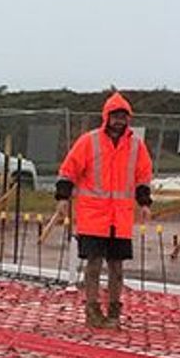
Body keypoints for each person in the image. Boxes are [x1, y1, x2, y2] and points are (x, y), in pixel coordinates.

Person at [56, 92, 153, 328]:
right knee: (94, 264)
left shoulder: (136, 146)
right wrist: (62, 198)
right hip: (93, 216)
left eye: (123, 116)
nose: (119, 121)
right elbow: (69, 169)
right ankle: (92, 310)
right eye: (115, 116)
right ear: (106, 117)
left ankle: (113, 310)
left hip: (119, 218)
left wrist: (144, 203)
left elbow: (143, 177)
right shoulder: (89, 141)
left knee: (117, 267)